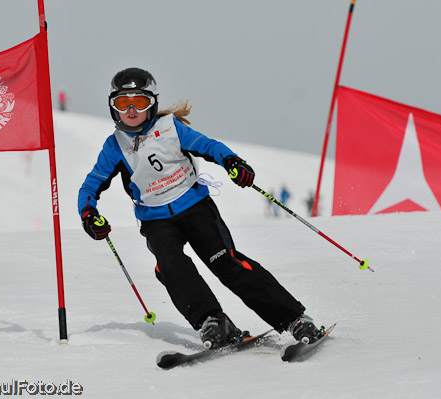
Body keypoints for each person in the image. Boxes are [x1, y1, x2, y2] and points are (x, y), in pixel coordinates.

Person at [77, 67, 324, 349]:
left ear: (152, 103)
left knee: (225, 263)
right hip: (157, 220)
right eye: (123, 103)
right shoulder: (114, 147)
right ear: (113, 107)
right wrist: (89, 215)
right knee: (169, 265)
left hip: (195, 208)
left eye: (140, 102)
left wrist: (233, 162)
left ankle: (294, 318)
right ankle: (213, 321)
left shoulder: (170, 129)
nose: (131, 109)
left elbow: (208, 146)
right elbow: (89, 187)